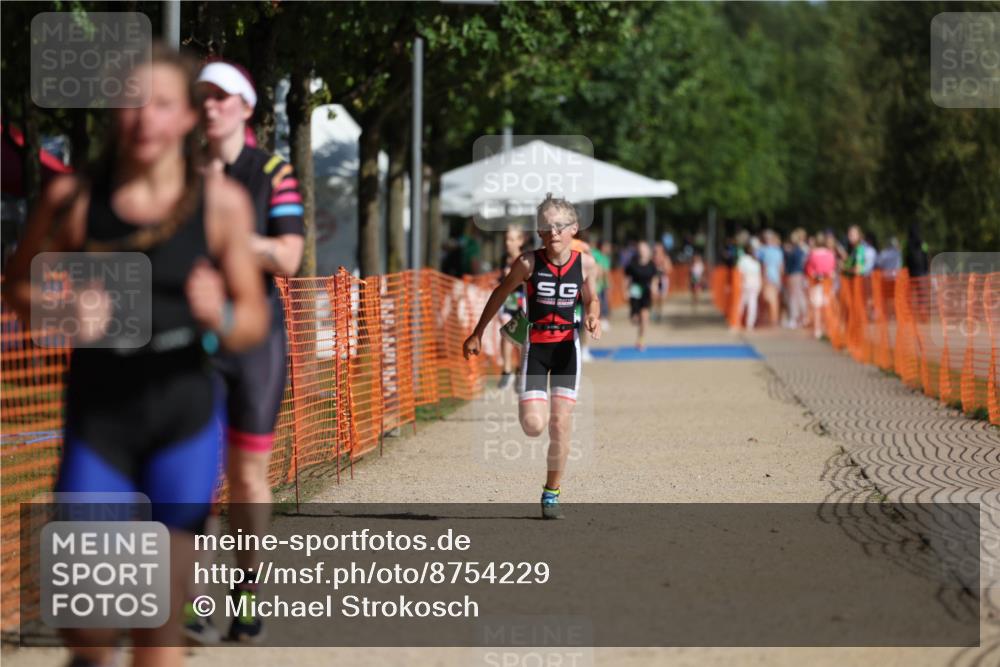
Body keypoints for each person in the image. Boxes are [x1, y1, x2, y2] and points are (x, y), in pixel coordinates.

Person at [2, 44, 269, 667]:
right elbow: (17, 285)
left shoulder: (220, 205)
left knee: (157, 622)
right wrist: (60, 312)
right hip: (101, 424)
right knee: (87, 627)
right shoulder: (72, 199)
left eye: (162, 104)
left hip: (183, 423)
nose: (145, 117)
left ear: (187, 117)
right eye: (130, 102)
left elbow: (253, 321)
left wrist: (221, 315)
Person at [191, 59, 305, 643]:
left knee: (247, 476)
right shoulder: (178, 169)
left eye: (221, 96)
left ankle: (245, 591)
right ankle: (190, 597)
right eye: (202, 96)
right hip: (192, 338)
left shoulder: (273, 172)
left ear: (246, 108)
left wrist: (232, 235)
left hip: (257, 339)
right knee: (192, 471)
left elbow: (289, 257)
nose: (210, 106)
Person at [462, 194, 600, 520]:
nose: (554, 232)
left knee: (560, 423)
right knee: (534, 426)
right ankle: (532, 404)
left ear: (574, 229)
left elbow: (591, 298)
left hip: (567, 348)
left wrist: (593, 314)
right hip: (535, 347)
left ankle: (552, 492)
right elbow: (500, 294)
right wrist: (477, 332)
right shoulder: (527, 263)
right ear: (538, 231)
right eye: (546, 227)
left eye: (560, 226)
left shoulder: (585, 263)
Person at [497, 224, 528, 389]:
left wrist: (515, 277)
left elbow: (529, 280)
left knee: (521, 338)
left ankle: (521, 371)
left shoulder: (525, 259)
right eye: (507, 239)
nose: (508, 243)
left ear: (520, 241)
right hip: (509, 300)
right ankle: (506, 370)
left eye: (512, 239)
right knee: (506, 332)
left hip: (522, 300)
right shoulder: (504, 258)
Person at [625, 241, 657, 350]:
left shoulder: (651, 264)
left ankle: (641, 339)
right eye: (641, 249)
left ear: (648, 251)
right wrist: (625, 290)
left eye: (644, 249)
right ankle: (634, 316)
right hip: (635, 291)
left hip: (646, 292)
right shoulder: (632, 264)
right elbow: (627, 278)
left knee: (644, 316)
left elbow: (655, 277)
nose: (642, 251)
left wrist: (654, 287)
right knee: (635, 319)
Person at [805, 231, 837, 339]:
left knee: (817, 308)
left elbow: (809, 270)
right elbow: (832, 269)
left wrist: (816, 274)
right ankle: (827, 329)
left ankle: (817, 329)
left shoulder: (813, 254)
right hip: (828, 283)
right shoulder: (830, 254)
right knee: (827, 307)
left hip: (816, 283)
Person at [756, 230, 784, 327]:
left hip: (766, 277)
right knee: (773, 300)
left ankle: (765, 319)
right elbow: (781, 266)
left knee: (765, 299)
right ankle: (773, 320)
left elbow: (762, 265)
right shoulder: (778, 251)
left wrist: (763, 278)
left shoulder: (762, 250)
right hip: (775, 278)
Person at [784, 228, 808, 328]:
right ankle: (803, 317)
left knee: (793, 297)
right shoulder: (802, 250)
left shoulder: (795, 251)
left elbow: (790, 265)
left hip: (794, 274)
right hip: (800, 274)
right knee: (799, 295)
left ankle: (794, 318)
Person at [736, 241, 763, 330]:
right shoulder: (756, 261)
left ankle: (737, 321)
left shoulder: (743, 260)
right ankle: (750, 324)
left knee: (742, 302)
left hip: (746, 283)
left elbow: (739, 272)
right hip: (755, 283)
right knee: (752, 303)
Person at [651, 242, 673, 322]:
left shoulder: (666, 258)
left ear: (662, 250)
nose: (656, 251)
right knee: (654, 296)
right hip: (655, 279)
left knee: (662, 298)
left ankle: (660, 313)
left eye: (658, 249)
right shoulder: (652, 258)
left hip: (663, 279)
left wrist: (663, 268)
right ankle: (654, 312)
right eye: (655, 249)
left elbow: (669, 269)